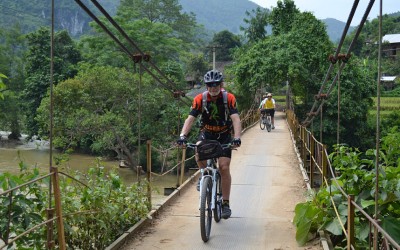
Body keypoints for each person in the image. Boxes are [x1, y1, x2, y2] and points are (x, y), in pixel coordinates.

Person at [177, 69, 242, 219]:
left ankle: (225, 203)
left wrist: (237, 137)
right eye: (210, 85)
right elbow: (190, 119)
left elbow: (236, 119)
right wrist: (182, 136)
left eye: (216, 85)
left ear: (221, 84)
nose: (213, 88)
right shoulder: (200, 99)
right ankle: (203, 174)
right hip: (207, 133)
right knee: (198, 150)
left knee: (224, 167)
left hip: (224, 135)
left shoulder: (229, 98)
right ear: (206, 86)